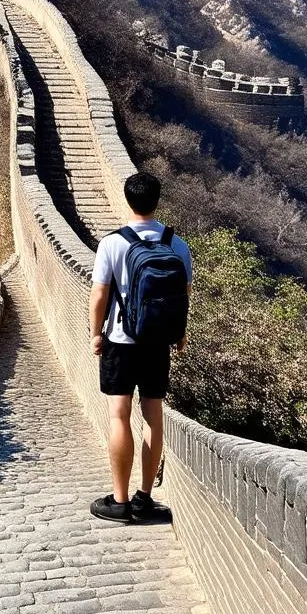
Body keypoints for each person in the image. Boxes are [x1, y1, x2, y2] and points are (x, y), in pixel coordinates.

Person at [88, 171, 192, 523]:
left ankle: (119, 501)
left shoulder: (113, 243)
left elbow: (100, 294)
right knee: (153, 418)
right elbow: (183, 296)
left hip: (120, 340)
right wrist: (179, 334)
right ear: (157, 200)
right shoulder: (177, 245)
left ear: (128, 199)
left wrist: (96, 334)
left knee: (119, 416)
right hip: (157, 342)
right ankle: (145, 498)